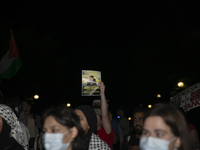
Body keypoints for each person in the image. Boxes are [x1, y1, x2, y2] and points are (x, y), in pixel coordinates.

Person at [94, 82, 114, 149]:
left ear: (102, 121)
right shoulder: (89, 132)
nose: (93, 116)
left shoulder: (106, 132)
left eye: (97, 115)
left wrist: (102, 92)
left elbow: (105, 115)